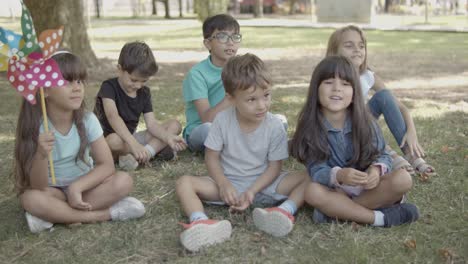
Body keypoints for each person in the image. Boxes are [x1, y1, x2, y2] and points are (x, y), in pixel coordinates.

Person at [176, 54, 307, 252]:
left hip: (265, 185)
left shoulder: (274, 125)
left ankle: (283, 211)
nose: (262, 105)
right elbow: (211, 157)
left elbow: (275, 166)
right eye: (251, 99)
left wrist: (253, 190)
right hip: (228, 185)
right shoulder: (221, 121)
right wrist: (223, 184)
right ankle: (200, 222)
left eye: (266, 95)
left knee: (312, 177)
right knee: (183, 182)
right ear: (231, 98)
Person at [14, 52, 145, 233]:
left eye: (79, 81)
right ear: (45, 90)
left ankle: (53, 216)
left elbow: (107, 166)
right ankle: (104, 214)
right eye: (67, 82)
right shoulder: (36, 127)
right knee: (30, 198)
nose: (77, 88)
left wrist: (77, 187)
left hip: (86, 187)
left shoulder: (87, 120)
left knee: (124, 181)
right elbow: (38, 186)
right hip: (53, 191)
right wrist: (41, 154)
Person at [290, 56, 419, 227]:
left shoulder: (365, 121)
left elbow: (382, 155)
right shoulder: (310, 126)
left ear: (354, 93)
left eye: (345, 84)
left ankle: (336, 212)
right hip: (335, 190)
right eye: (328, 82)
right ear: (316, 89)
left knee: (403, 179)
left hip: (369, 188)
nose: (337, 89)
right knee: (312, 192)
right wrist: (339, 175)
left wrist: (375, 170)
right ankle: (380, 218)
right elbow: (316, 170)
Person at [325, 25, 436, 177]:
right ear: (334, 51)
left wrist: (411, 131)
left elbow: (400, 106)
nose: (357, 50)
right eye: (349, 46)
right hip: (342, 130)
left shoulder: (368, 76)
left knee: (384, 95)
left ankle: (411, 155)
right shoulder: (329, 77)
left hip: (364, 122)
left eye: (361, 46)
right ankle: (389, 154)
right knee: (358, 114)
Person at [94, 41, 186, 171]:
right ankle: (151, 150)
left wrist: (167, 137)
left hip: (132, 140)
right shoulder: (109, 87)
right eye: (133, 80)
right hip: (110, 141)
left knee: (174, 125)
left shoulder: (144, 92)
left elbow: (152, 125)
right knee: (114, 141)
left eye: (144, 81)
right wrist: (134, 144)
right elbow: (112, 116)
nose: (138, 86)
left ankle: (146, 153)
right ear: (120, 70)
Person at [182, 14, 241, 152]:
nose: (230, 42)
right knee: (209, 130)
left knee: (278, 121)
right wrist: (231, 96)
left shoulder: (242, 69)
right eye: (222, 36)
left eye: (235, 37)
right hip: (201, 131)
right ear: (208, 43)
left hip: (234, 127)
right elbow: (207, 119)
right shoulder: (197, 74)